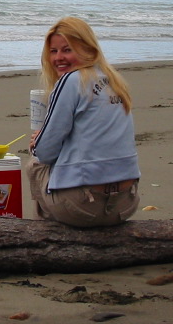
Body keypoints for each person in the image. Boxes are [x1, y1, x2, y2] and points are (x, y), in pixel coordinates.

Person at [26, 17, 140, 227]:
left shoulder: (71, 81)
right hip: (125, 203)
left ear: (87, 49)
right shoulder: (114, 81)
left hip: (83, 206)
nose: (58, 58)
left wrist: (36, 142)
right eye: (53, 51)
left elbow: (45, 152)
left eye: (67, 50)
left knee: (35, 163)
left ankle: (44, 230)